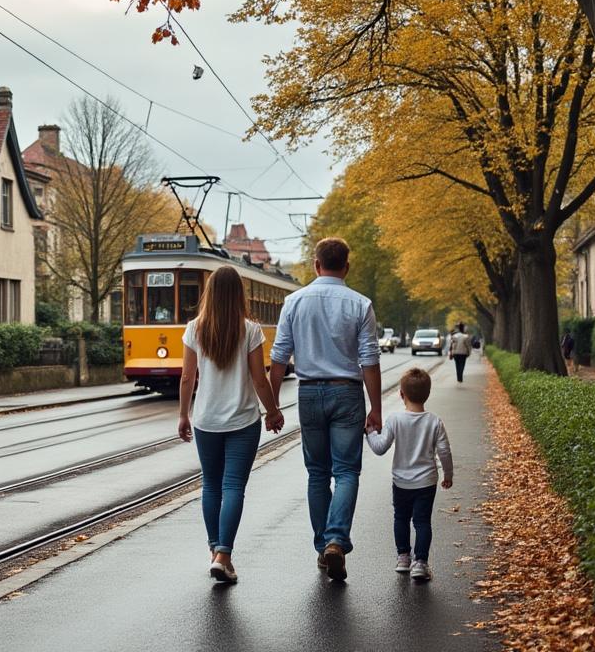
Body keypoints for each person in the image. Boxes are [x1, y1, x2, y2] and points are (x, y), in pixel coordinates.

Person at [268, 237, 381, 582]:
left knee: (317, 473)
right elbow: (370, 361)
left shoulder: (293, 301)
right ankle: (336, 539)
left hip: (309, 394)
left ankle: (323, 547)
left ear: (316, 265)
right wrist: (375, 408)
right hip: (347, 393)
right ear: (346, 266)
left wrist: (272, 406)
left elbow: (278, 358)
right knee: (346, 472)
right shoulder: (360, 304)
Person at [177, 266, 284, 584]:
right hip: (242, 421)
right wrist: (273, 412)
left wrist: (184, 414)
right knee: (233, 486)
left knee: (211, 486)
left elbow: (186, 378)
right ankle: (223, 554)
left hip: (206, 421)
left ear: (209, 293)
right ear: (239, 295)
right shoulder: (250, 330)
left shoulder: (194, 328)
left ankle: (215, 553)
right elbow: (259, 380)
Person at [365, 367, 453, 581]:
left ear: (401, 394)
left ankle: (403, 557)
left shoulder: (395, 420)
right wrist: (448, 475)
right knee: (422, 522)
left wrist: (369, 433)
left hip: (401, 482)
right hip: (426, 482)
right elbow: (444, 452)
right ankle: (420, 563)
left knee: (401, 518)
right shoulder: (435, 421)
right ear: (428, 394)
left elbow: (380, 448)